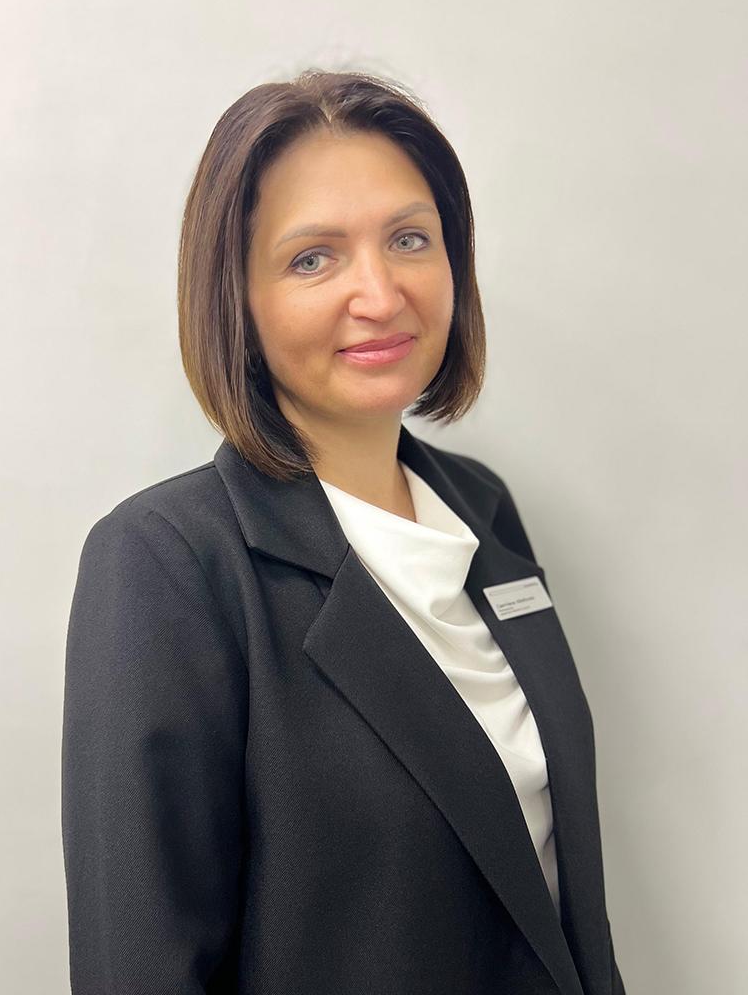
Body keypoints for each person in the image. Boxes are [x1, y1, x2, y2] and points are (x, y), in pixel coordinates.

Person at [61, 69, 626, 994]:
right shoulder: (168, 562)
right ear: (237, 299)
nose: (380, 292)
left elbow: (546, 889)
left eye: (409, 239)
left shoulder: (481, 510)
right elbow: (141, 967)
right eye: (313, 259)